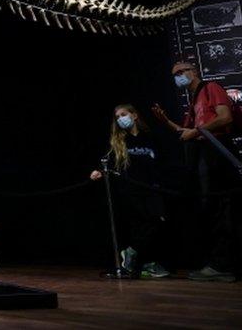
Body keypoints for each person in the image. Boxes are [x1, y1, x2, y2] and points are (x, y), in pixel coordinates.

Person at [152, 61, 238, 282]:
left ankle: (223, 265)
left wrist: (197, 131)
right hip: (204, 156)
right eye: (174, 74)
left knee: (222, 208)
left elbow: (225, 117)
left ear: (194, 71)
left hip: (218, 152)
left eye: (182, 71)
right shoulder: (193, 102)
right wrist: (166, 122)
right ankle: (218, 263)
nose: (178, 76)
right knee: (210, 208)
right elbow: (185, 132)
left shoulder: (211, 88)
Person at [91, 104, 170, 278]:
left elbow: (161, 163)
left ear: (134, 115)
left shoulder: (150, 137)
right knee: (139, 226)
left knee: (157, 222)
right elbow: (107, 160)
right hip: (130, 191)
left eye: (123, 114)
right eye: (117, 117)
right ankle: (145, 265)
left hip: (152, 189)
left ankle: (131, 253)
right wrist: (98, 170)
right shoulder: (119, 140)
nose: (120, 119)